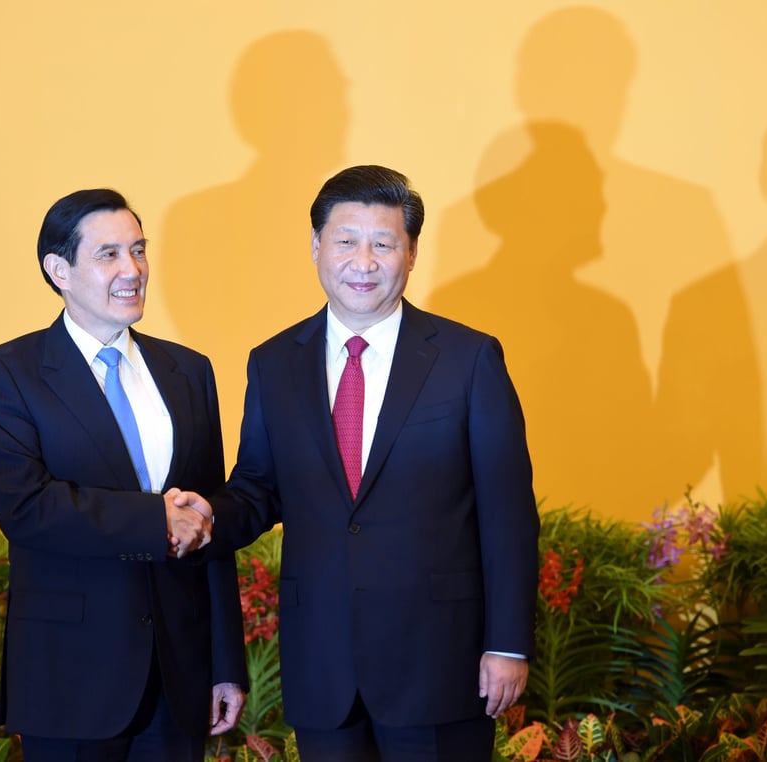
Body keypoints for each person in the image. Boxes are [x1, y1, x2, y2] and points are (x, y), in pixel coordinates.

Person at [200, 165, 540, 761]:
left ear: (411, 253)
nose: (364, 261)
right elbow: (258, 487)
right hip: (323, 666)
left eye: (383, 243)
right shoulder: (274, 363)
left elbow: (508, 515)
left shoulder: (468, 359)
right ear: (315, 247)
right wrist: (201, 515)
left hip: (442, 663)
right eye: (345, 240)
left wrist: (508, 643)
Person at [0, 188, 248, 762]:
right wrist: (154, 519)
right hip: (70, 678)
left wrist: (225, 664)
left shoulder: (188, 371)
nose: (133, 270)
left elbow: (206, 522)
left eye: (139, 251)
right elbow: (27, 510)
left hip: (180, 678)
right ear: (58, 269)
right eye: (110, 254)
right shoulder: (6, 374)